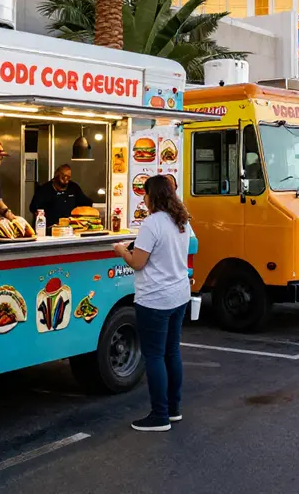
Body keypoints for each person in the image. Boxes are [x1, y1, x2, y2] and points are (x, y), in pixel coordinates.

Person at [113, 175, 193, 433]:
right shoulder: (181, 221)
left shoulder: (151, 223)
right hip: (179, 295)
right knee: (171, 352)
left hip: (155, 299)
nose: (143, 198)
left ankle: (159, 415)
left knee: (154, 355)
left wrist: (121, 250)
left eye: (145, 194)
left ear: (153, 196)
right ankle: (173, 409)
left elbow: (137, 262)